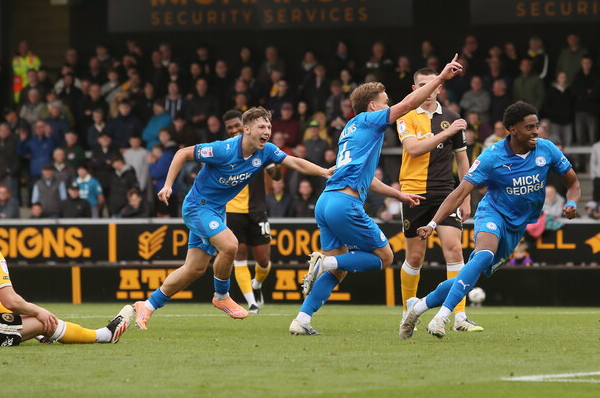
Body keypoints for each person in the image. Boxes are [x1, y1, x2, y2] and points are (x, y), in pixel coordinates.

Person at [289, 55, 462, 336]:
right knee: (384, 256)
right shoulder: (371, 120)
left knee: (339, 269)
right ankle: (325, 261)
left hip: (326, 202)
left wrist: (399, 195)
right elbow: (408, 105)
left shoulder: (349, 128)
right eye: (385, 101)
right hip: (345, 204)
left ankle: (302, 319)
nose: (388, 105)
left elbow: (367, 179)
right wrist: (440, 79)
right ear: (373, 106)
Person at [133, 107, 332, 328]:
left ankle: (148, 305)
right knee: (230, 246)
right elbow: (182, 153)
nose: (267, 131)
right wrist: (168, 185)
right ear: (246, 129)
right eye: (261, 127)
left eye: (268, 126)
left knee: (194, 269)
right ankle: (221, 296)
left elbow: (294, 162)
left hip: (216, 210)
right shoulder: (223, 149)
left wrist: (324, 172)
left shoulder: (265, 151)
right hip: (197, 207)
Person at [399, 101, 580, 339]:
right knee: (483, 255)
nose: (536, 131)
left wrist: (572, 202)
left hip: (518, 226)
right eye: (529, 127)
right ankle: (441, 317)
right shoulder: (492, 157)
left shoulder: (547, 150)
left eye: (536, 126)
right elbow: (459, 192)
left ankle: (418, 308)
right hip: (492, 213)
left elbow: (574, 183)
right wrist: (433, 224)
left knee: (472, 273)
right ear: (512, 129)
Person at [0, 192, 134, 346]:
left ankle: (26, 331)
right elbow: (11, 301)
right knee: (42, 322)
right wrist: (38, 311)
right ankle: (103, 336)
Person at [395, 68, 482, 333]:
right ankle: (407, 311)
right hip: (414, 193)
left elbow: (462, 158)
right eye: (422, 85)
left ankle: (459, 316)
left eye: (432, 84)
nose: (428, 89)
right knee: (415, 256)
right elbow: (414, 148)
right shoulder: (406, 117)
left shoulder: (452, 118)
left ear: (439, 88)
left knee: (454, 250)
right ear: (414, 89)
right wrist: (448, 132)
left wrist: (465, 196)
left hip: (446, 192)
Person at [221, 109, 282, 314]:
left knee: (264, 260)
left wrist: (274, 166)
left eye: (236, 125)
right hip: (232, 210)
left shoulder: (259, 147)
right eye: (229, 127)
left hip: (257, 209)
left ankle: (256, 285)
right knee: (239, 254)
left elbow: (276, 175)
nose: (233, 130)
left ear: (245, 125)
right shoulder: (225, 149)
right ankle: (252, 303)